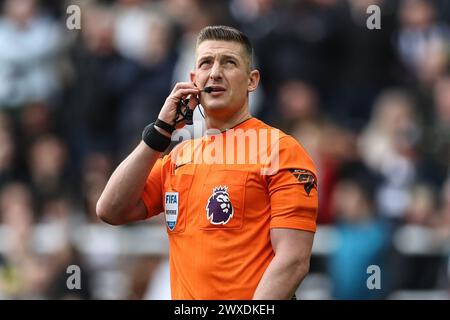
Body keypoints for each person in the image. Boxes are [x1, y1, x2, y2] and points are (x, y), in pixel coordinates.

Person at [96, 25, 318, 300]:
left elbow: (293, 261)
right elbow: (110, 209)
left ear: (252, 81)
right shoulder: (178, 157)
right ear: (193, 79)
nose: (215, 72)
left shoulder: (281, 151)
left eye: (229, 63)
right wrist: (159, 132)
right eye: (206, 63)